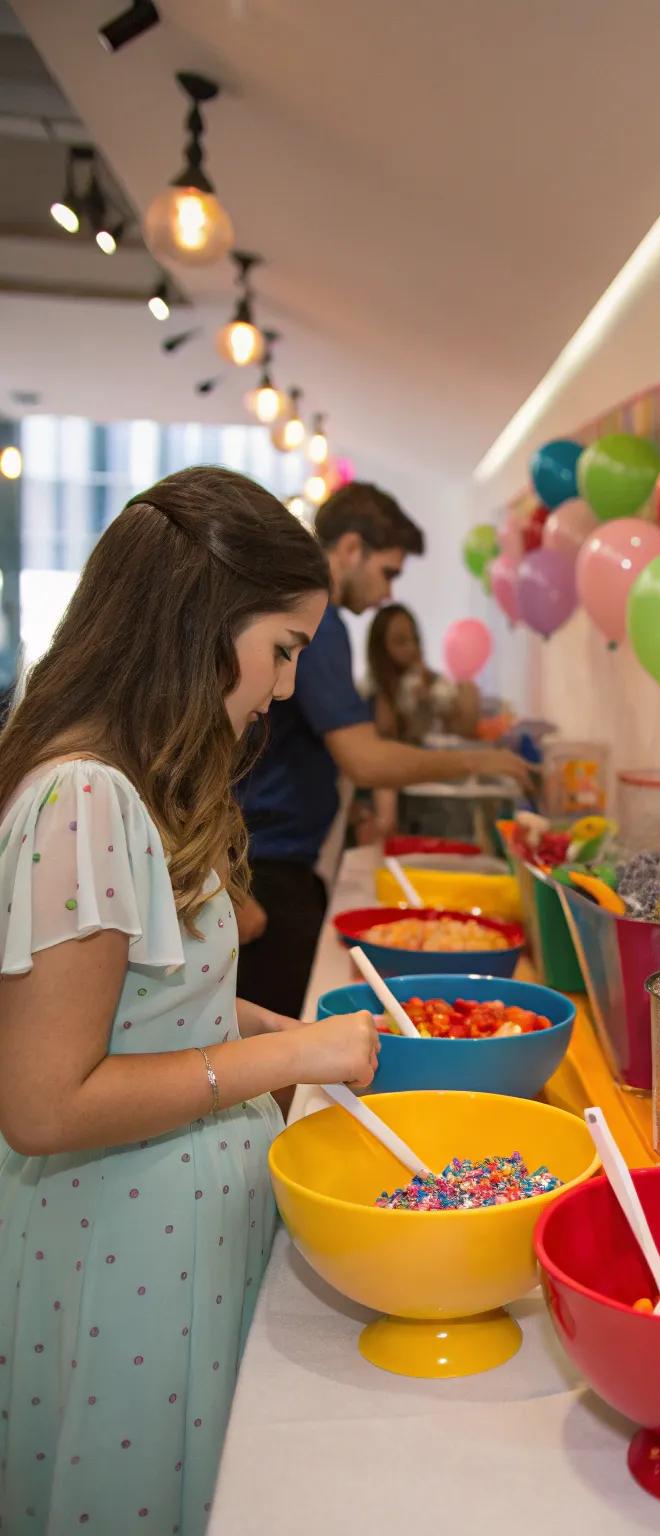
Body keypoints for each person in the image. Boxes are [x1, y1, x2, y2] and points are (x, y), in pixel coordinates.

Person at [0, 467, 380, 1535]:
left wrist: (293, 1030)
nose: (288, 688)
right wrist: (287, 1061)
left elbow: (162, 1009)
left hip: (165, 1242)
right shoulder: (86, 796)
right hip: (125, 1257)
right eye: (282, 650)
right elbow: (45, 1101)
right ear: (201, 624)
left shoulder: (129, 784)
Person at [236, 482, 530, 1022]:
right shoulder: (320, 623)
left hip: (270, 858)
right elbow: (363, 756)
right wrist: (477, 759)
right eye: (389, 572)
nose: (389, 592)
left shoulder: (324, 624)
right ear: (350, 549)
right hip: (265, 865)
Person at [366, 603, 480, 744]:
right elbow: (386, 733)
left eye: (415, 639)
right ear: (381, 650)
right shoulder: (371, 692)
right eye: (400, 642)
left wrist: (432, 699)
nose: (411, 648)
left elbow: (462, 729)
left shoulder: (432, 681)